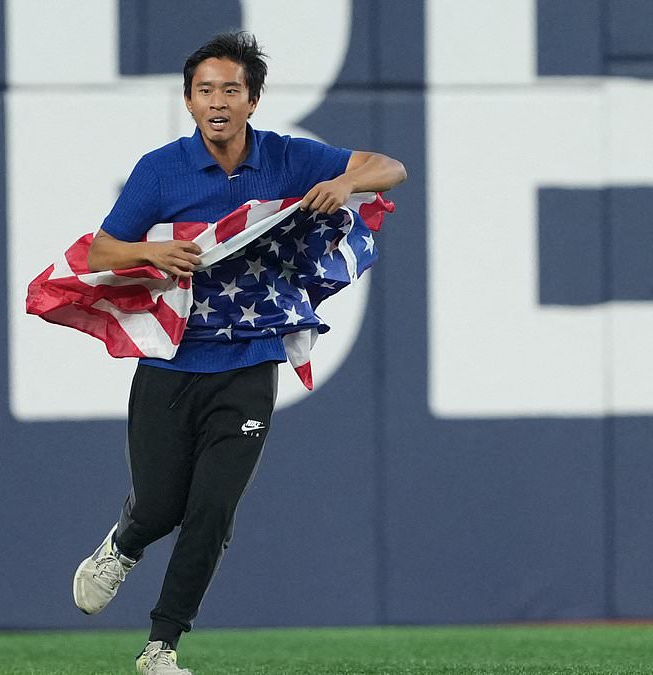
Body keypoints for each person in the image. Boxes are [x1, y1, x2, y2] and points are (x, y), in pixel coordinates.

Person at [71, 32, 406, 675]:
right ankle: (125, 542)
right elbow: (98, 253)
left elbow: (389, 167)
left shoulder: (287, 158)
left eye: (230, 89)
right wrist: (150, 251)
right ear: (189, 101)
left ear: (253, 100)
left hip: (249, 363)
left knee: (213, 510)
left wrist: (343, 181)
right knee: (162, 506)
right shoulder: (161, 170)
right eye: (205, 91)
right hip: (170, 362)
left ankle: (160, 647)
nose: (217, 101)